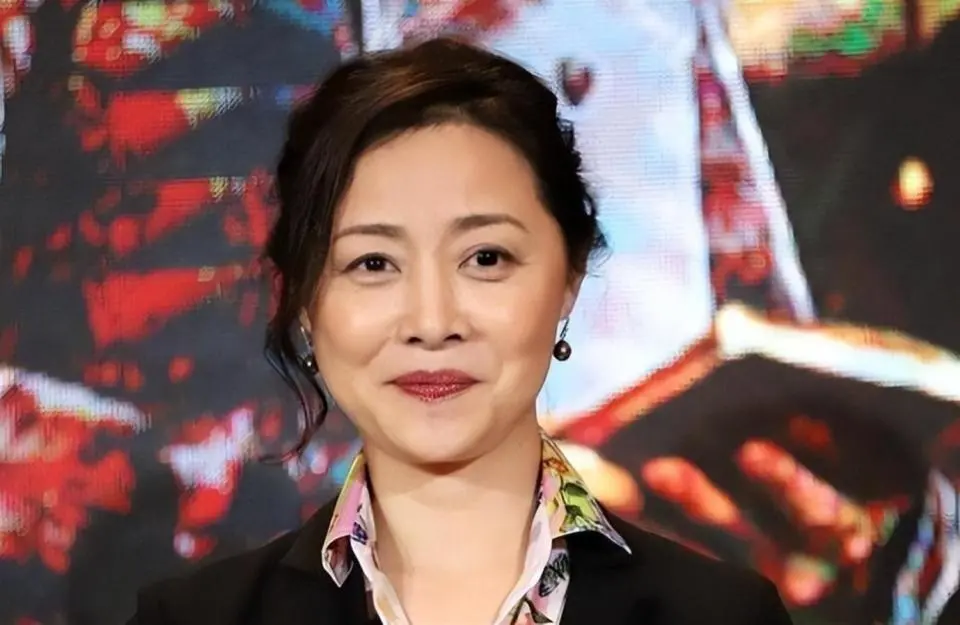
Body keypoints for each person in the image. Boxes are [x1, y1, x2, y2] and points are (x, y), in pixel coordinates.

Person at [125, 38, 793, 625]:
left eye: (486, 258)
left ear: (569, 276)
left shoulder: (724, 615)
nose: (432, 322)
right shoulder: (191, 619)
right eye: (373, 263)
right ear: (303, 298)